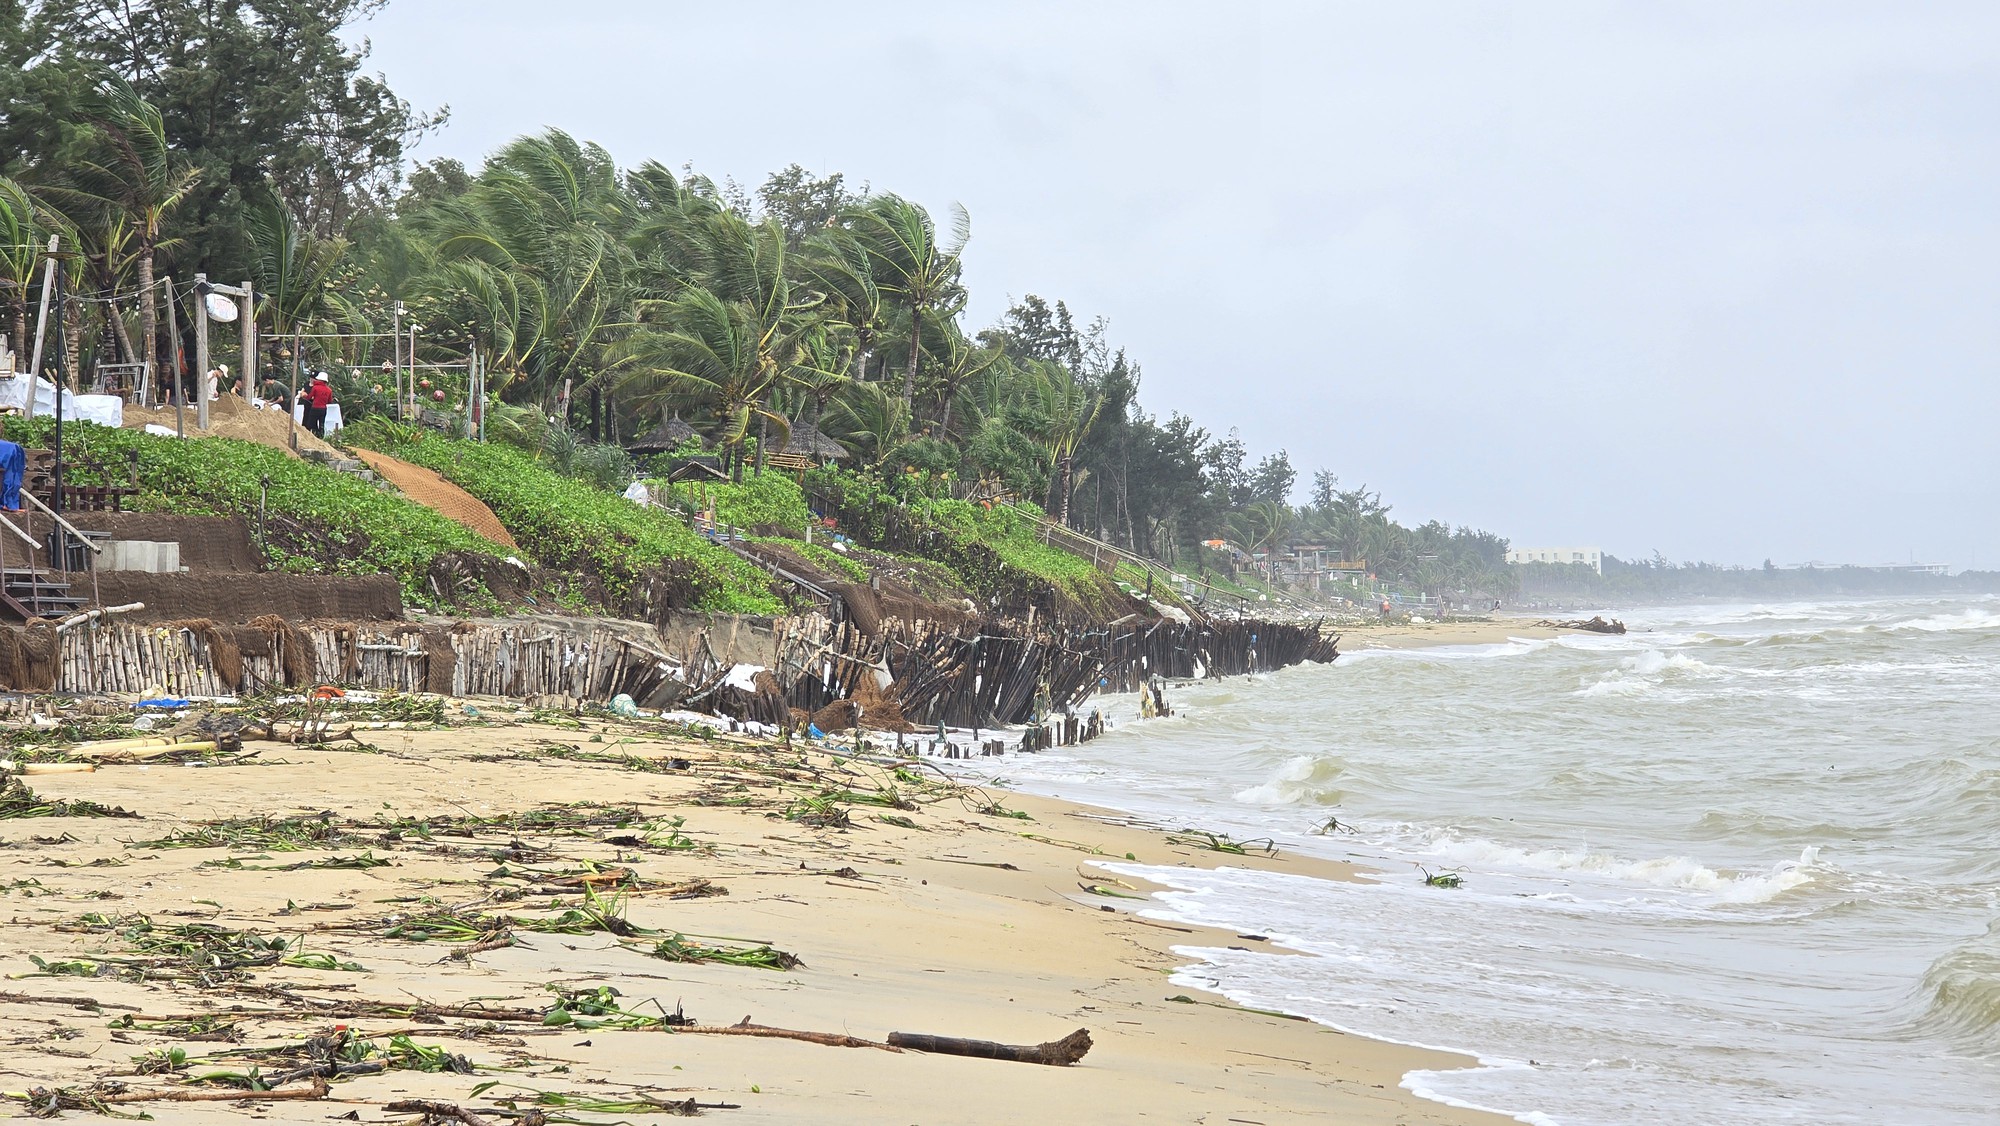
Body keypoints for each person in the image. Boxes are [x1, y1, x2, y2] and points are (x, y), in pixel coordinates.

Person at [303, 371, 334, 437]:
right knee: (321, 424)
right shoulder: (329, 390)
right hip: (323, 409)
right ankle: (321, 436)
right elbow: (329, 401)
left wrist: (305, 396)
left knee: (311, 423)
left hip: (315, 408)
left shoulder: (315, 387)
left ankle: (314, 436)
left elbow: (309, 397)